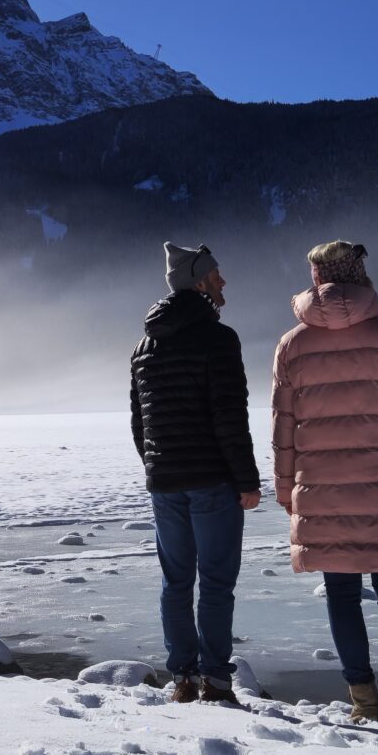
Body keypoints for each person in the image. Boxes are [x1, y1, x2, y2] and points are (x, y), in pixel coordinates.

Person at [270, 241, 378, 729]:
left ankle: (364, 704)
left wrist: (287, 492)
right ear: (360, 276)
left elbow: (283, 428)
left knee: (341, 595)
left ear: (316, 279)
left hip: (322, 490)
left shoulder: (291, 346)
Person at [130, 242, 262, 705]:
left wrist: (157, 467)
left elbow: (139, 423)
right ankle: (216, 681)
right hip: (212, 481)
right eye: (216, 274)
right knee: (217, 582)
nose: (223, 281)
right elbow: (230, 416)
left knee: (176, 582)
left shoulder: (144, 345)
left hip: (165, 484)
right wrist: (246, 480)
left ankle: (183, 678)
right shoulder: (219, 339)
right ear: (199, 281)